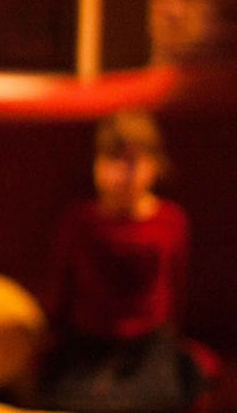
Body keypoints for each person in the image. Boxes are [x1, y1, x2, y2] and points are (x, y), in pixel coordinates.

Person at [40, 109, 202, 413]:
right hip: (89, 345)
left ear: (154, 165)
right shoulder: (79, 221)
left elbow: (177, 288)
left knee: (159, 397)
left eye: (132, 161)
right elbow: (61, 287)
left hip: (147, 344)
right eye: (111, 159)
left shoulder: (171, 221)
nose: (121, 174)